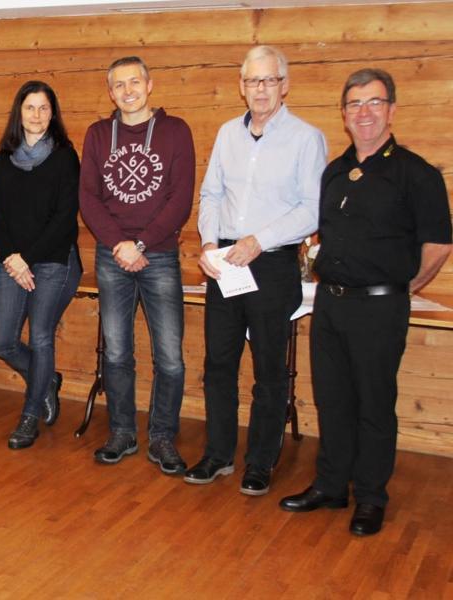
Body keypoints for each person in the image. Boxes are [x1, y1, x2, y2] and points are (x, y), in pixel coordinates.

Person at [280, 69, 452, 535]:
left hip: (380, 307)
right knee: (332, 400)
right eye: (355, 104)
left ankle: (371, 497)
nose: (364, 112)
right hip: (330, 305)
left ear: (392, 110)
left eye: (374, 103)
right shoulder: (335, 172)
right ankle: (331, 486)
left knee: (374, 404)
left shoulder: (415, 174)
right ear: (344, 115)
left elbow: (438, 244)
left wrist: (404, 288)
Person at [188, 45, 327, 496]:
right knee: (218, 363)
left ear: (284, 85)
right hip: (226, 262)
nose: (260, 89)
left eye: (269, 80)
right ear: (241, 86)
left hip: (271, 264)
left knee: (269, 369)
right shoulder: (228, 134)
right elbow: (210, 195)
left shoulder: (307, 138)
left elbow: (313, 209)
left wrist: (258, 241)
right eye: (252, 81)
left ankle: (261, 461)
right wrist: (210, 241)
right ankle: (219, 453)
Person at [79, 57, 195, 474]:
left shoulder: (176, 131)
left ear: (150, 84)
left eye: (134, 82)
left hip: (160, 254)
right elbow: (89, 199)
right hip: (112, 256)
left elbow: (180, 199)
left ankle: (162, 437)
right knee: (117, 353)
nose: (127, 91)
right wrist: (120, 244)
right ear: (110, 92)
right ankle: (123, 432)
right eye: (118, 85)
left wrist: (141, 243)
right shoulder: (96, 135)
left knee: (170, 358)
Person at [0, 80, 83, 450]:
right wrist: (13, 257)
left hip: (55, 262)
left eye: (44, 108)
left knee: (41, 336)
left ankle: (30, 414)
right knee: (2, 341)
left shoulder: (64, 157)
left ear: (52, 113)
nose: (37, 115)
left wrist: (26, 258)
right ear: (19, 112)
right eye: (31, 107)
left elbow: (64, 217)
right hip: (14, 262)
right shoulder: (3, 159)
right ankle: (47, 381)